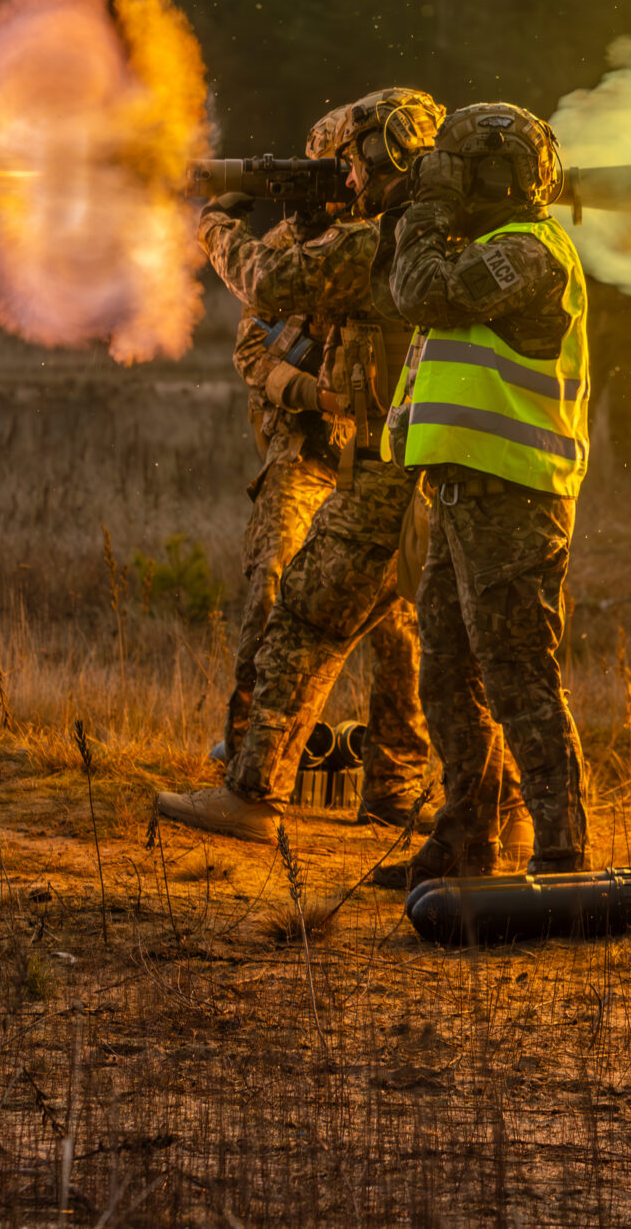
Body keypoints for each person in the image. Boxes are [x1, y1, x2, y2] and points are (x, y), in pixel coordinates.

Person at [160, 89, 526, 846]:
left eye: (355, 161)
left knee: (303, 617)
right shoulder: (478, 236)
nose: (349, 178)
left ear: (386, 154)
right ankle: (503, 816)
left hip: (388, 472)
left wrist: (215, 225)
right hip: (465, 473)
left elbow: (266, 283)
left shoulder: (382, 244)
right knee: (461, 646)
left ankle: (255, 793)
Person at [373, 102, 594, 885]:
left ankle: (562, 850)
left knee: (516, 672)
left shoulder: (529, 253)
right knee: (447, 672)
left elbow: (420, 292)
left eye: (455, 167)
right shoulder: (494, 245)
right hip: (466, 491)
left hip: (516, 495)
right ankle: (467, 835)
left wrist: (427, 204)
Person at [213, 189, 427, 830]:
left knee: (401, 625)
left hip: (376, 459)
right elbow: (252, 352)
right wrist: (316, 394)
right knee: (275, 588)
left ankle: (394, 784)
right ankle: (251, 761)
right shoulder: (286, 250)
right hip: (306, 450)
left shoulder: (388, 246)